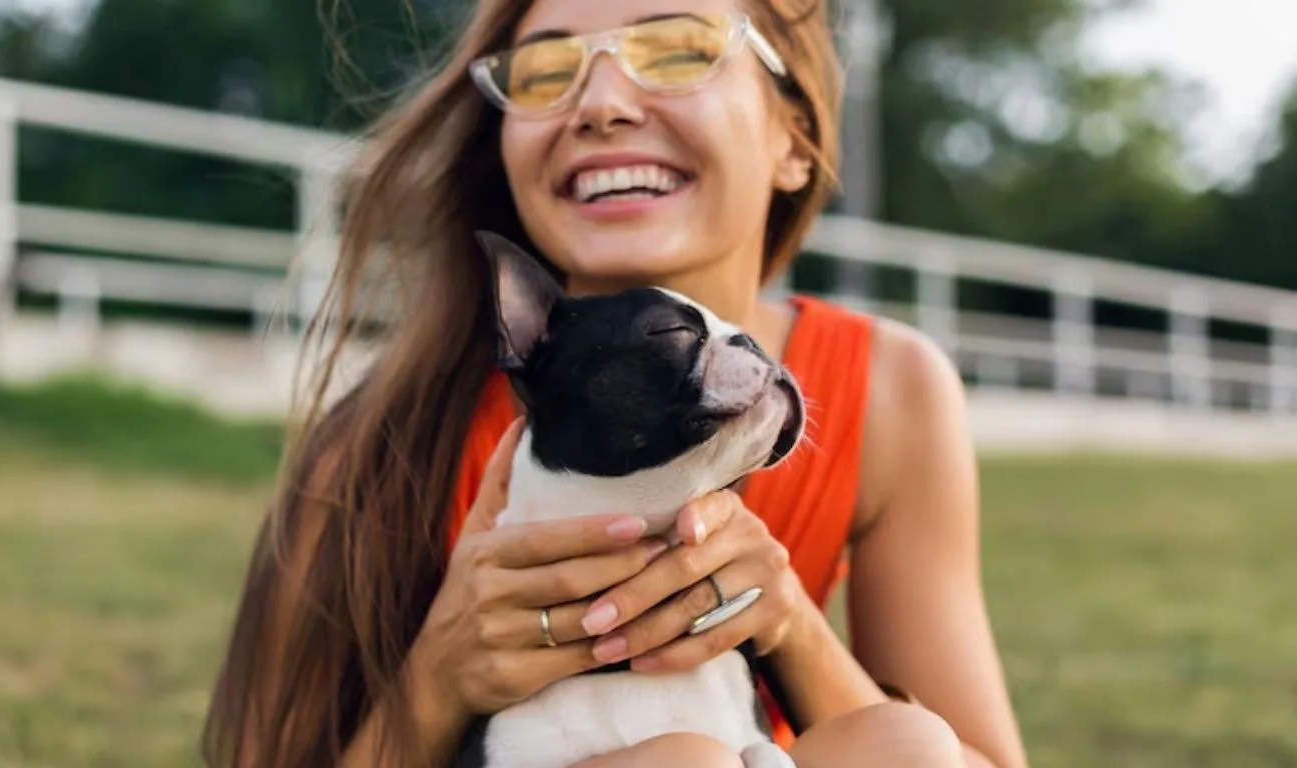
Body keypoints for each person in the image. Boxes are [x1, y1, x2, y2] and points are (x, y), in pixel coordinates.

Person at [202, 0, 1030, 766]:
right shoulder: (388, 430)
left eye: (676, 50)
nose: (601, 103)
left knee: (907, 746)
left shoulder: (887, 385)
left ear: (794, 137)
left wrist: (786, 623)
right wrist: (439, 679)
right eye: (545, 72)